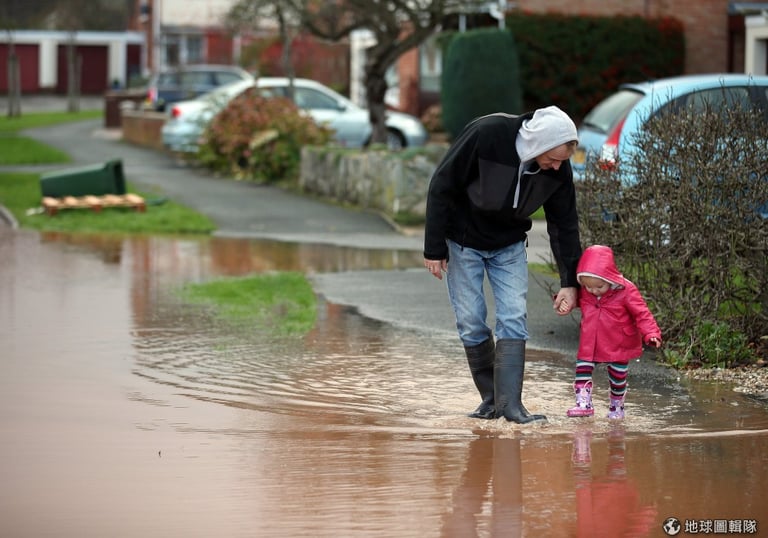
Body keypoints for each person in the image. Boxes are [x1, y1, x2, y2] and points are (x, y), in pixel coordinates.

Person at [423, 106, 582, 424]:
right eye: (552, 158)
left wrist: (570, 281)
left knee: (513, 317)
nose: (555, 166)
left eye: (561, 162)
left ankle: (511, 405)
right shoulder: (488, 135)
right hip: (463, 241)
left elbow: (563, 223)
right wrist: (434, 247)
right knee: (471, 321)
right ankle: (491, 399)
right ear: (540, 142)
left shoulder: (557, 170)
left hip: (508, 246)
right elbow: (442, 185)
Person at [565, 245, 662, 419]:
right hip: (590, 342)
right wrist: (564, 302)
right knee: (582, 369)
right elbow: (576, 299)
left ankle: (617, 406)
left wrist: (651, 333)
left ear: (609, 278)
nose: (593, 291)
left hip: (618, 342)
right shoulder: (586, 290)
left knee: (618, 378)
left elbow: (642, 313)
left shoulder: (626, 290)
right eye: (588, 287)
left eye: (599, 287)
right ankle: (583, 403)